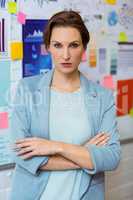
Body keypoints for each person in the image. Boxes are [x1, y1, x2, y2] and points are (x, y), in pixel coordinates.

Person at [10, 10, 121, 200]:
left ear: (84, 48)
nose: (66, 54)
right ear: (48, 48)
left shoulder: (103, 97)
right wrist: (84, 154)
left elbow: (111, 157)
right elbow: (20, 154)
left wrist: (56, 147)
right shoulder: (27, 89)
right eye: (58, 45)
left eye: (74, 45)